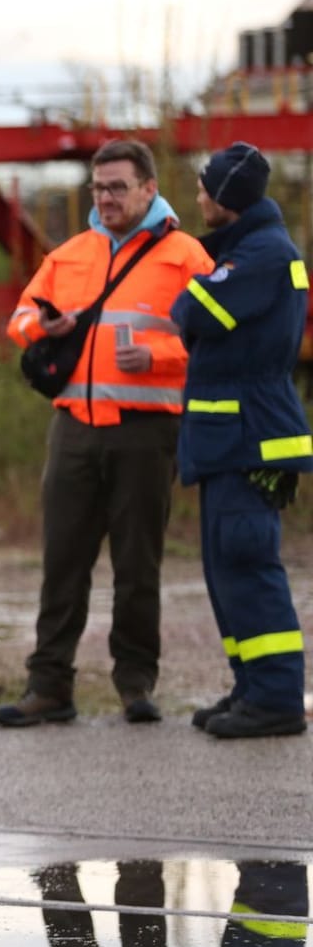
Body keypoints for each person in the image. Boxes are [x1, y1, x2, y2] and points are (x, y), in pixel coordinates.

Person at [0, 139, 214, 728]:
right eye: (98, 188)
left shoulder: (186, 257)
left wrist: (159, 356)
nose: (106, 198)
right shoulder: (68, 255)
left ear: (148, 188)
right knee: (62, 562)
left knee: (137, 566)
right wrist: (39, 326)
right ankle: (48, 687)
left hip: (147, 432)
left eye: (118, 187)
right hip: (73, 431)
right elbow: (17, 319)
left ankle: (135, 685)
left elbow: (217, 345)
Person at [173, 142, 312, 739]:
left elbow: (195, 310)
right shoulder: (248, 248)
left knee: (246, 563)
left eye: (206, 188)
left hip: (247, 435)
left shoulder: (262, 255)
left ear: (227, 197)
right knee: (224, 566)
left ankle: (277, 697)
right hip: (229, 438)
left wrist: (198, 281)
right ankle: (252, 686)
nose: (199, 195)